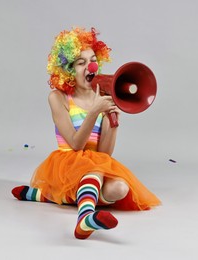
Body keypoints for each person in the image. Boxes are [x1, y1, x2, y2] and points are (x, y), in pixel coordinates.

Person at [11, 27, 160, 239]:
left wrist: (112, 119)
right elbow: (75, 144)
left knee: (120, 189)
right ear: (68, 70)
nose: (90, 66)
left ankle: (45, 195)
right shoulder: (58, 98)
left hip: (93, 163)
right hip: (68, 161)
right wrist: (94, 112)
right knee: (95, 167)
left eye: (92, 60)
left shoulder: (102, 97)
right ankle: (85, 218)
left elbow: (105, 154)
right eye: (80, 63)